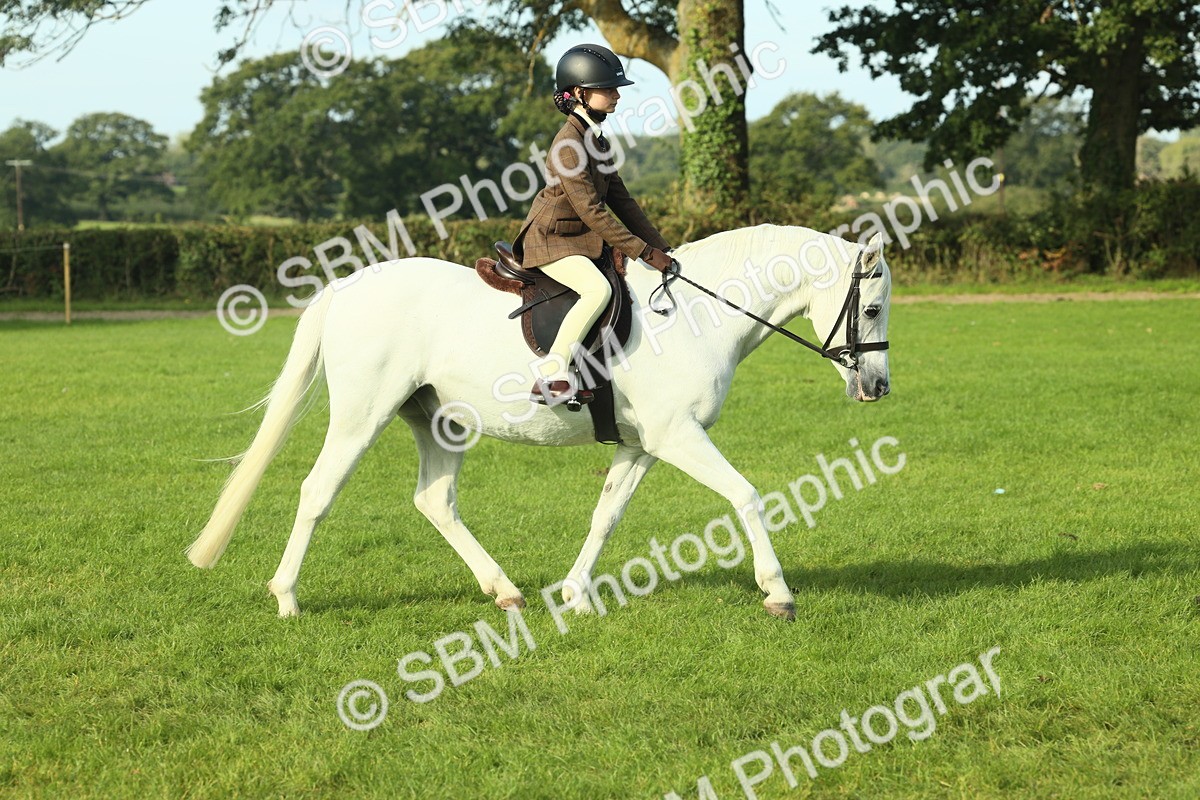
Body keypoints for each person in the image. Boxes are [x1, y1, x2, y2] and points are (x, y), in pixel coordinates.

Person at [513, 43, 676, 406]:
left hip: (577, 240)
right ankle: (551, 375)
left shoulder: (595, 140)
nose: (617, 95)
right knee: (597, 290)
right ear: (580, 94)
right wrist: (642, 251)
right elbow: (592, 211)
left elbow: (623, 201)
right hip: (551, 241)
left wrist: (662, 247)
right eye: (608, 89)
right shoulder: (569, 145)